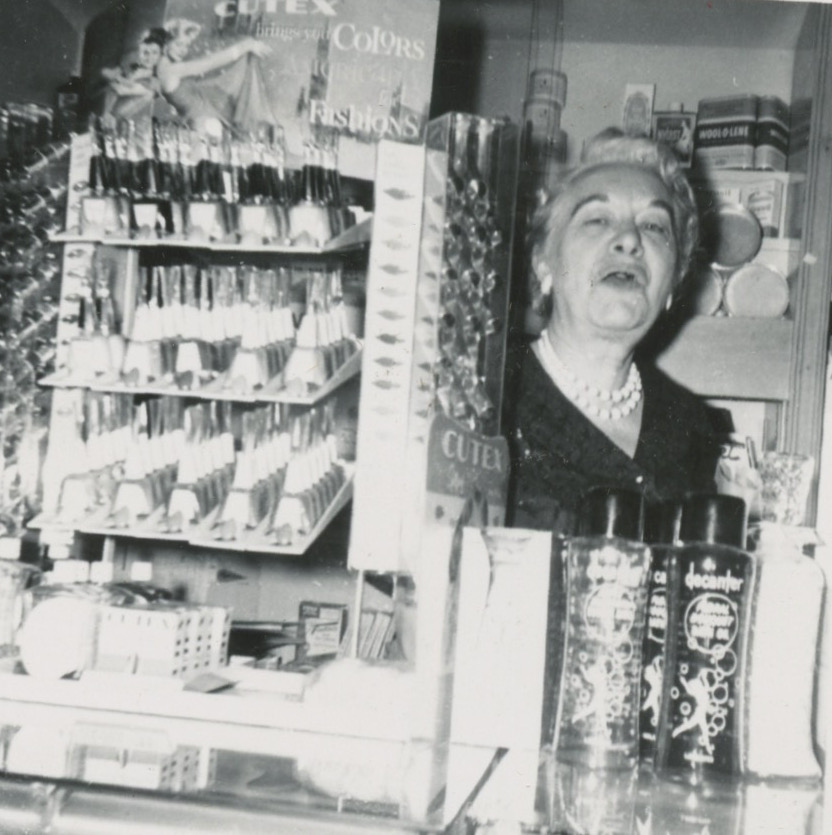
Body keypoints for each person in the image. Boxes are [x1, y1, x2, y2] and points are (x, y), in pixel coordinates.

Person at [503, 128, 722, 536]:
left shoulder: (689, 424)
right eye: (598, 219)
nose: (629, 240)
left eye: (654, 226)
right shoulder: (492, 394)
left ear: (674, 281)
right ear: (543, 262)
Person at [155, 18, 278, 137]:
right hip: (204, 126)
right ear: (166, 44)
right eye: (178, 44)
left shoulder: (169, 68)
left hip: (207, 123)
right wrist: (245, 46)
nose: (183, 50)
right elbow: (209, 62)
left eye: (186, 45)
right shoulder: (170, 70)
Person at [100, 28, 167, 120]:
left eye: (154, 53)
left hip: (132, 113)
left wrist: (120, 81)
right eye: (145, 53)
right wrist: (119, 78)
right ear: (140, 52)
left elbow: (121, 89)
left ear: (160, 55)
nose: (149, 57)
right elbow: (106, 73)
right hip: (114, 107)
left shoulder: (155, 79)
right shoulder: (133, 66)